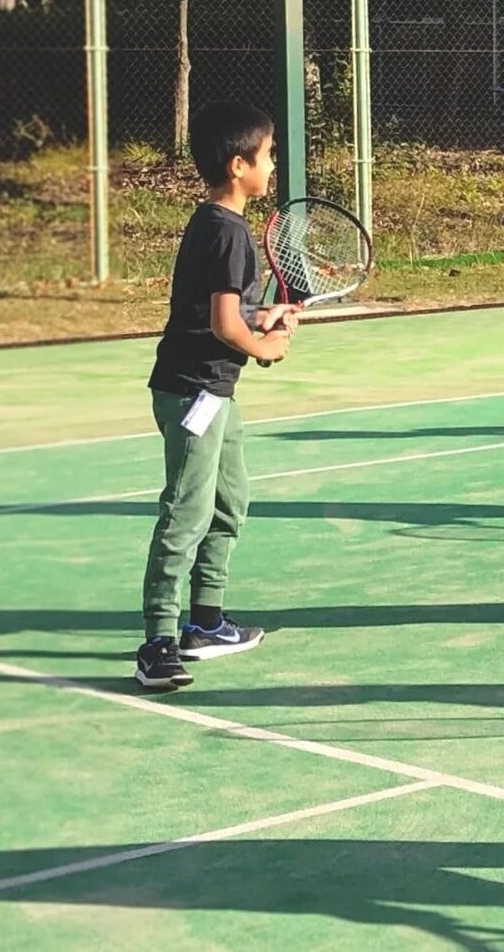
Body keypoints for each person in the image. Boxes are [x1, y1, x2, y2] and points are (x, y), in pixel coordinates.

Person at [135, 100, 300, 690]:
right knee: (186, 511)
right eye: (268, 156)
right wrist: (266, 346)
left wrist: (265, 314)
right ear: (238, 166)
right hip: (193, 394)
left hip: (212, 394)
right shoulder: (230, 234)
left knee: (230, 502)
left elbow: (227, 309)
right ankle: (158, 639)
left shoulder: (211, 221)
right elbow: (223, 326)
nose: (273, 166)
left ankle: (206, 622)